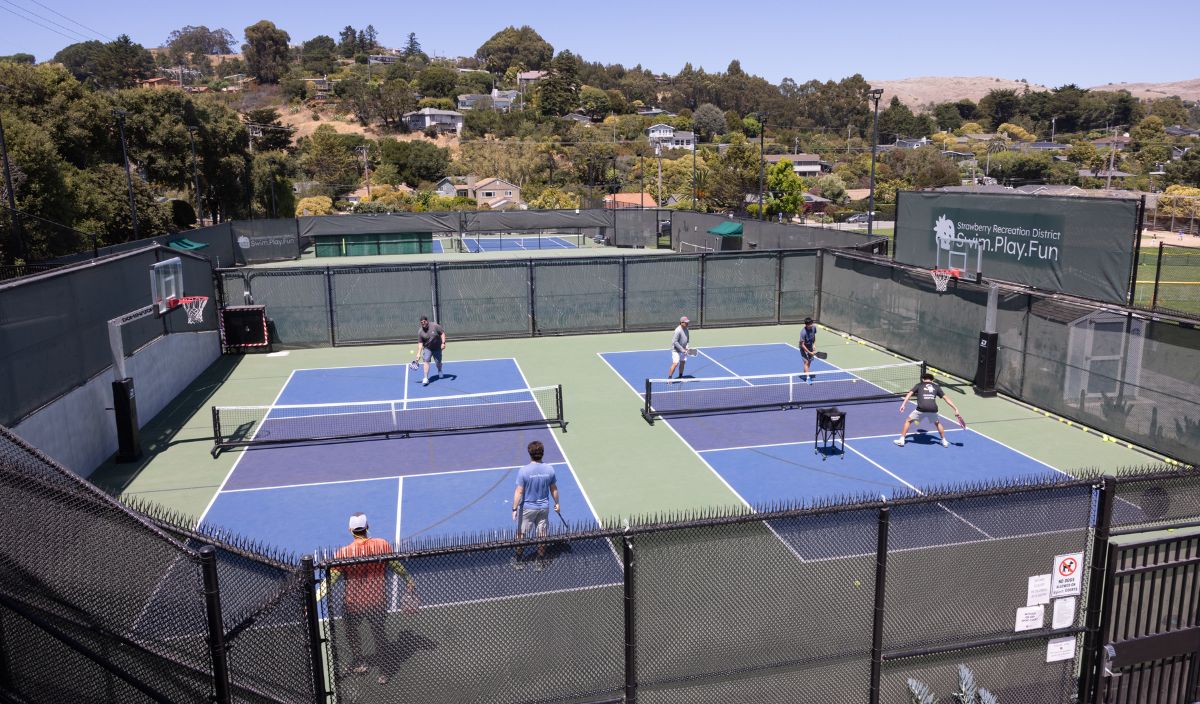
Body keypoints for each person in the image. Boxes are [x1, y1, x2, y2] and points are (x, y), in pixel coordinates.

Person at [319, 512, 417, 685]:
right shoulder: (382, 545)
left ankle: (360, 661)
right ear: (367, 527)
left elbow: (330, 581)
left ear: (350, 530)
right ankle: (385, 671)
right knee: (379, 634)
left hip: (353, 603)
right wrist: (408, 579)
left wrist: (315, 597)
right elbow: (396, 565)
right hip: (377, 600)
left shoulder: (344, 553)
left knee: (351, 630)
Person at [512, 440, 559, 571]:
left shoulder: (523, 471)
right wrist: (557, 504)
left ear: (530, 453)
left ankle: (519, 559)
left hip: (527, 509)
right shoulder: (550, 469)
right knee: (542, 534)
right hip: (544, 508)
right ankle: (539, 560)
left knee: (521, 534)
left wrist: (514, 508)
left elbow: (519, 491)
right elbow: (554, 489)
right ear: (542, 453)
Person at [894, 372, 963, 448]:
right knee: (937, 423)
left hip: (921, 408)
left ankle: (902, 440)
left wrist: (903, 404)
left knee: (908, 421)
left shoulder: (919, 385)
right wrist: (955, 408)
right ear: (932, 380)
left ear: (923, 379)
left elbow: (909, 394)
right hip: (933, 409)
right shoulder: (936, 386)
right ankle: (944, 441)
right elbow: (946, 398)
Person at [416, 315, 446, 386]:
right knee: (426, 361)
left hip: (437, 348)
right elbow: (420, 343)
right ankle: (426, 378)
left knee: (438, 363)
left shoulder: (435, 326)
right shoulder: (420, 332)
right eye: (421, 322)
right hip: (427, 348)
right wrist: (418, 353)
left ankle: (439, 370)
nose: (423, 323)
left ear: (427, 321)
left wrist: (443, 343)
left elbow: (442, 333)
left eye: (424, 321)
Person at [667, 316, 690, 380]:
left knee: (682, 363)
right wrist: (682, 350)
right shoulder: (678, 330)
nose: (687, 323)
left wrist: (687, 347)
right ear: (681, 323)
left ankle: (680, 377)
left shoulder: (687, 329)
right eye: (686, 322)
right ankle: (669, 378)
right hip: (676, 350)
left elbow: (687, 339)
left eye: (687, 322)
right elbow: (675, 342)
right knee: (675, 363)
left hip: (683, 350)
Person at [798, 318, 818, 384]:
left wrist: (814, 345)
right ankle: (808, 378)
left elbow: (814, 336)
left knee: (809, 363)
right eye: (810, 324)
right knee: (806, 362)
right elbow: (802, 345)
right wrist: (809, 352)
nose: (811, 325)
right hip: (803, 348)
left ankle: (805, 373)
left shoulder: (814, 328)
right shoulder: (803, 332)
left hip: (810, 346)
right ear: (806, 325)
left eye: (812, 323)